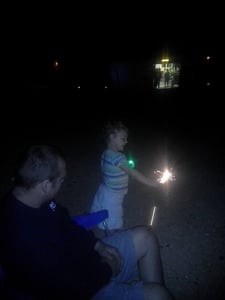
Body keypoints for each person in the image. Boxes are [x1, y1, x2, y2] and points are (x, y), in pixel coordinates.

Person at [0, 144, 174, 300]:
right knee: (159, 295)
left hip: (89, 259)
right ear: (45, 185)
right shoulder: (21, 238)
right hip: (84, 288)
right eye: (61, 180)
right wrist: (107, 269)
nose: (63, 184)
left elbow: (66, 224)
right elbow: (64, 288)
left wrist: (97, 244)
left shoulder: (36, 199)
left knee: (146, 236)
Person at [90, 121, 159, 232]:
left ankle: (104, 231)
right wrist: (150, 182)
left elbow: (113, 170)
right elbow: (133, 173)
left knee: (103, 215)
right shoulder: (118, 157)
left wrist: (125, 169)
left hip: (104, 190)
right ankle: (113, 241)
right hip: (113, 196)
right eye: (123, 139)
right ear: (112, 137)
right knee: (113, 221)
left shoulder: (106, 153)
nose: (126, 142)